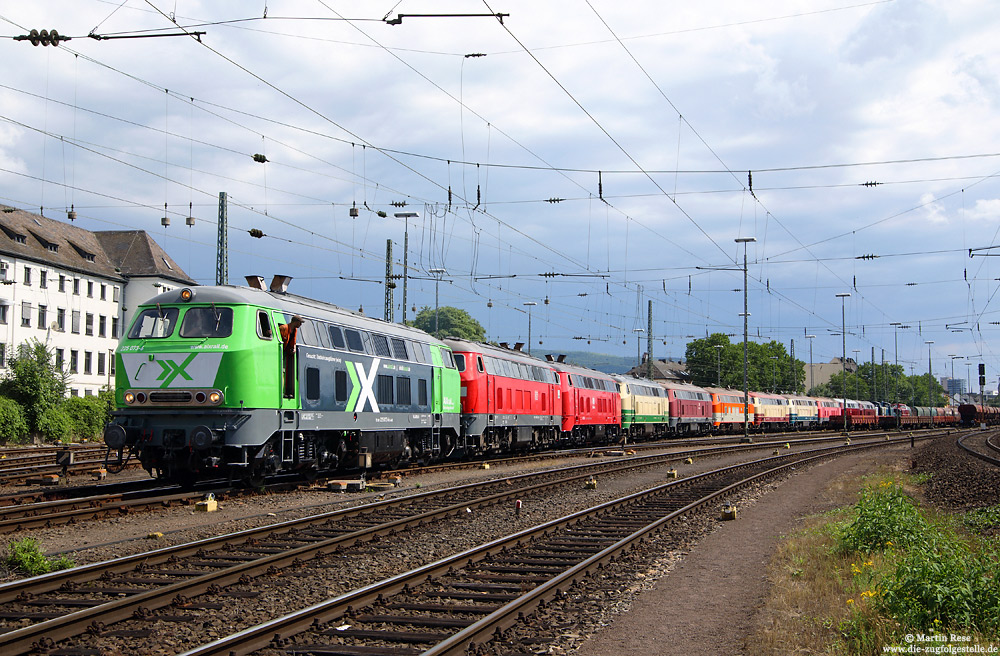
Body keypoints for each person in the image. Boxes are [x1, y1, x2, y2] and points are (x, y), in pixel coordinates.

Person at [279, 316, 304, 397]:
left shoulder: (295, 330)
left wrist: (293, 348)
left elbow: (293, 341)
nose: (301, 325)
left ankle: (286, 391)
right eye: (300, 323)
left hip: (287, 353)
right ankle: (282, 391)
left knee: (285, 372)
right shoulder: (283, 328)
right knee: (281, 372)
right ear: (295, 322)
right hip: (281, 353)